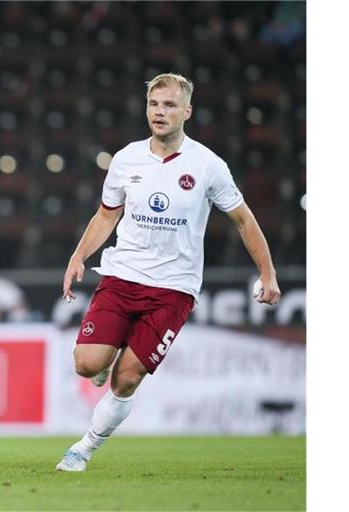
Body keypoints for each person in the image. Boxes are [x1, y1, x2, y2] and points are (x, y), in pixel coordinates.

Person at [55, 73, 282, 472]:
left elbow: (244, 221)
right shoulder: (126, 159)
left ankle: (84, 449)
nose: (160, 113)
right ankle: (103, 358)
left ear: (187, 111)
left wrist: (268, 274)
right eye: (154, 105)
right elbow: (107, 214)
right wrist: (78, 255)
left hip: (173, 289)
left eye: (169, 105)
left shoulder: (208, 166)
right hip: (122, 276)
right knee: (87, 365)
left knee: (126, 380)